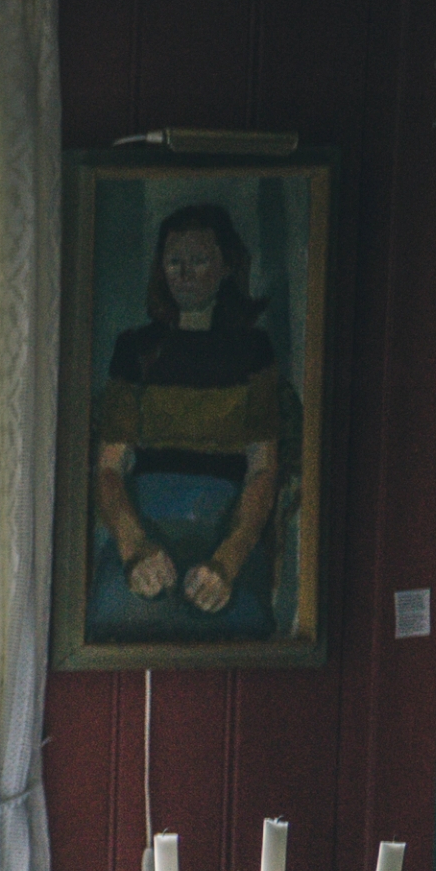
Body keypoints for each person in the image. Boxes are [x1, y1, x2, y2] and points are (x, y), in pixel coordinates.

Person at [88, 202, 291, 641]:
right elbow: (109, 468)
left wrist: (228, 562)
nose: (185, 273)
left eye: (199, 260)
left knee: (242, 628)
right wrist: (133, 548)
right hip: (144, 526)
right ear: (160, 268)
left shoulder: (254, 351)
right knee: (111, 621)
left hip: (228, 529)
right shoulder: (134, 349)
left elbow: (262, 470)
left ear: (224, 266)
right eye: (174, 260)